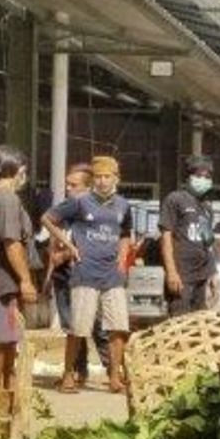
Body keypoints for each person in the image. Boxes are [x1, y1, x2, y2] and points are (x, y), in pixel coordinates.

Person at [41, 156, 132, 394]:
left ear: (116, 179)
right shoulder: (81, 202)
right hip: (85, 273)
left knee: (117, 327)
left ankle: (114, 377)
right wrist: (70, 247)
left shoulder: (123, 205)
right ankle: (69, 374)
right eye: (98, 177)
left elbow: (125, 233)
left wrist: (123, 258)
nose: (102, 181)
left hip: (112, 275)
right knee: (79, 328)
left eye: (107, 177)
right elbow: (48, 219)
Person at [45, 164, 110, 386]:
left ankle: (115, 372)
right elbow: (53, 235)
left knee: (97, 327)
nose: (68, 189)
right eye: (67, 184)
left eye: (74, 185)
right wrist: (51, 270)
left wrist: (66, 255)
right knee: (73, 326)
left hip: (87, 277)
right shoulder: (66, 210)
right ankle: (76, 371)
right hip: (64, 277)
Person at [0, 145, 36, 389]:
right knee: (3, 337)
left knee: (9, 336)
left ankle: (7, 388)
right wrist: (25, 279)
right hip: (5, 280)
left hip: (3, 280)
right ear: (20, 171)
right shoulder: (6, 199)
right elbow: (12, 243)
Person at [160, 155, 216, 316]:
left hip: (202, 276)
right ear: (188, 177)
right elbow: (166, 237)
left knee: (198, 324)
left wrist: (212, 274)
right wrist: (171, 272)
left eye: (207, 177)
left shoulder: (206, 207)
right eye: (199, 176)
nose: (203, 180)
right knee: (179, 323)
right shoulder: (175, 200)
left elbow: (208, 243)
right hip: (181, 275)